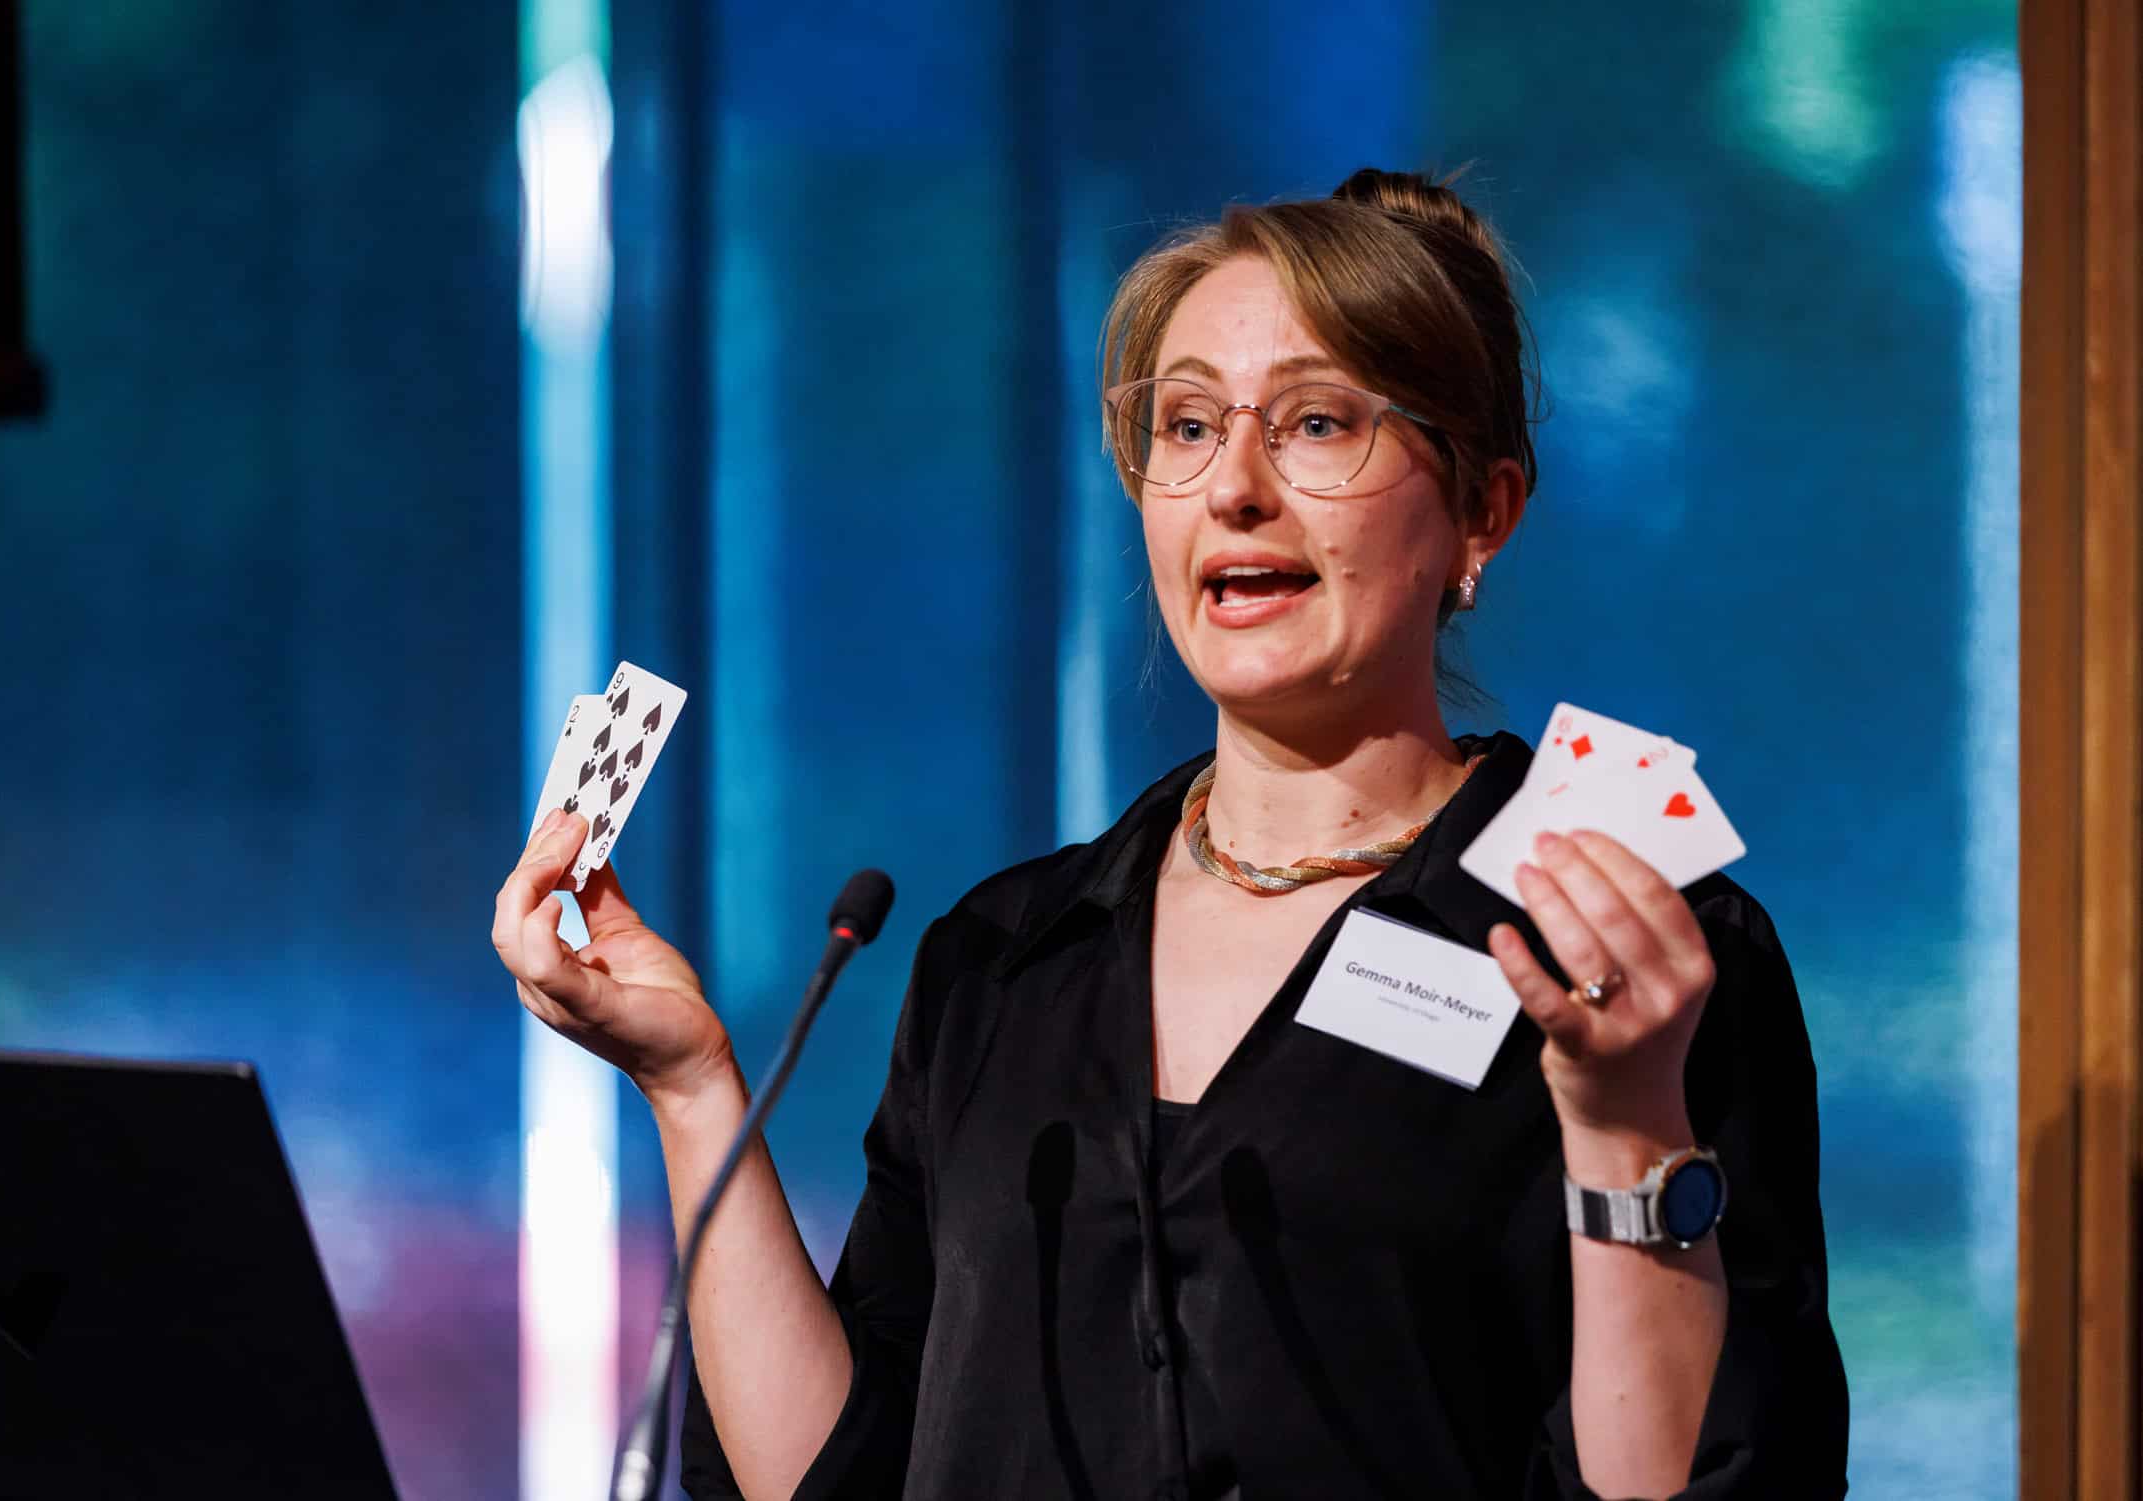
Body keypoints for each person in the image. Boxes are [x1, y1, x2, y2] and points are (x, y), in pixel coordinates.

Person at [491, 167, 1848, 1500]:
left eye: (1318, 424)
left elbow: (1708, 1478)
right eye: (1187, 425)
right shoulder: (1002, 959)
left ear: (1480, 513)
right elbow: (829, 1479)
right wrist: (689, 1091)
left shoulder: (1621, 948)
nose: (1233, 485)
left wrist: (1622, 1136)